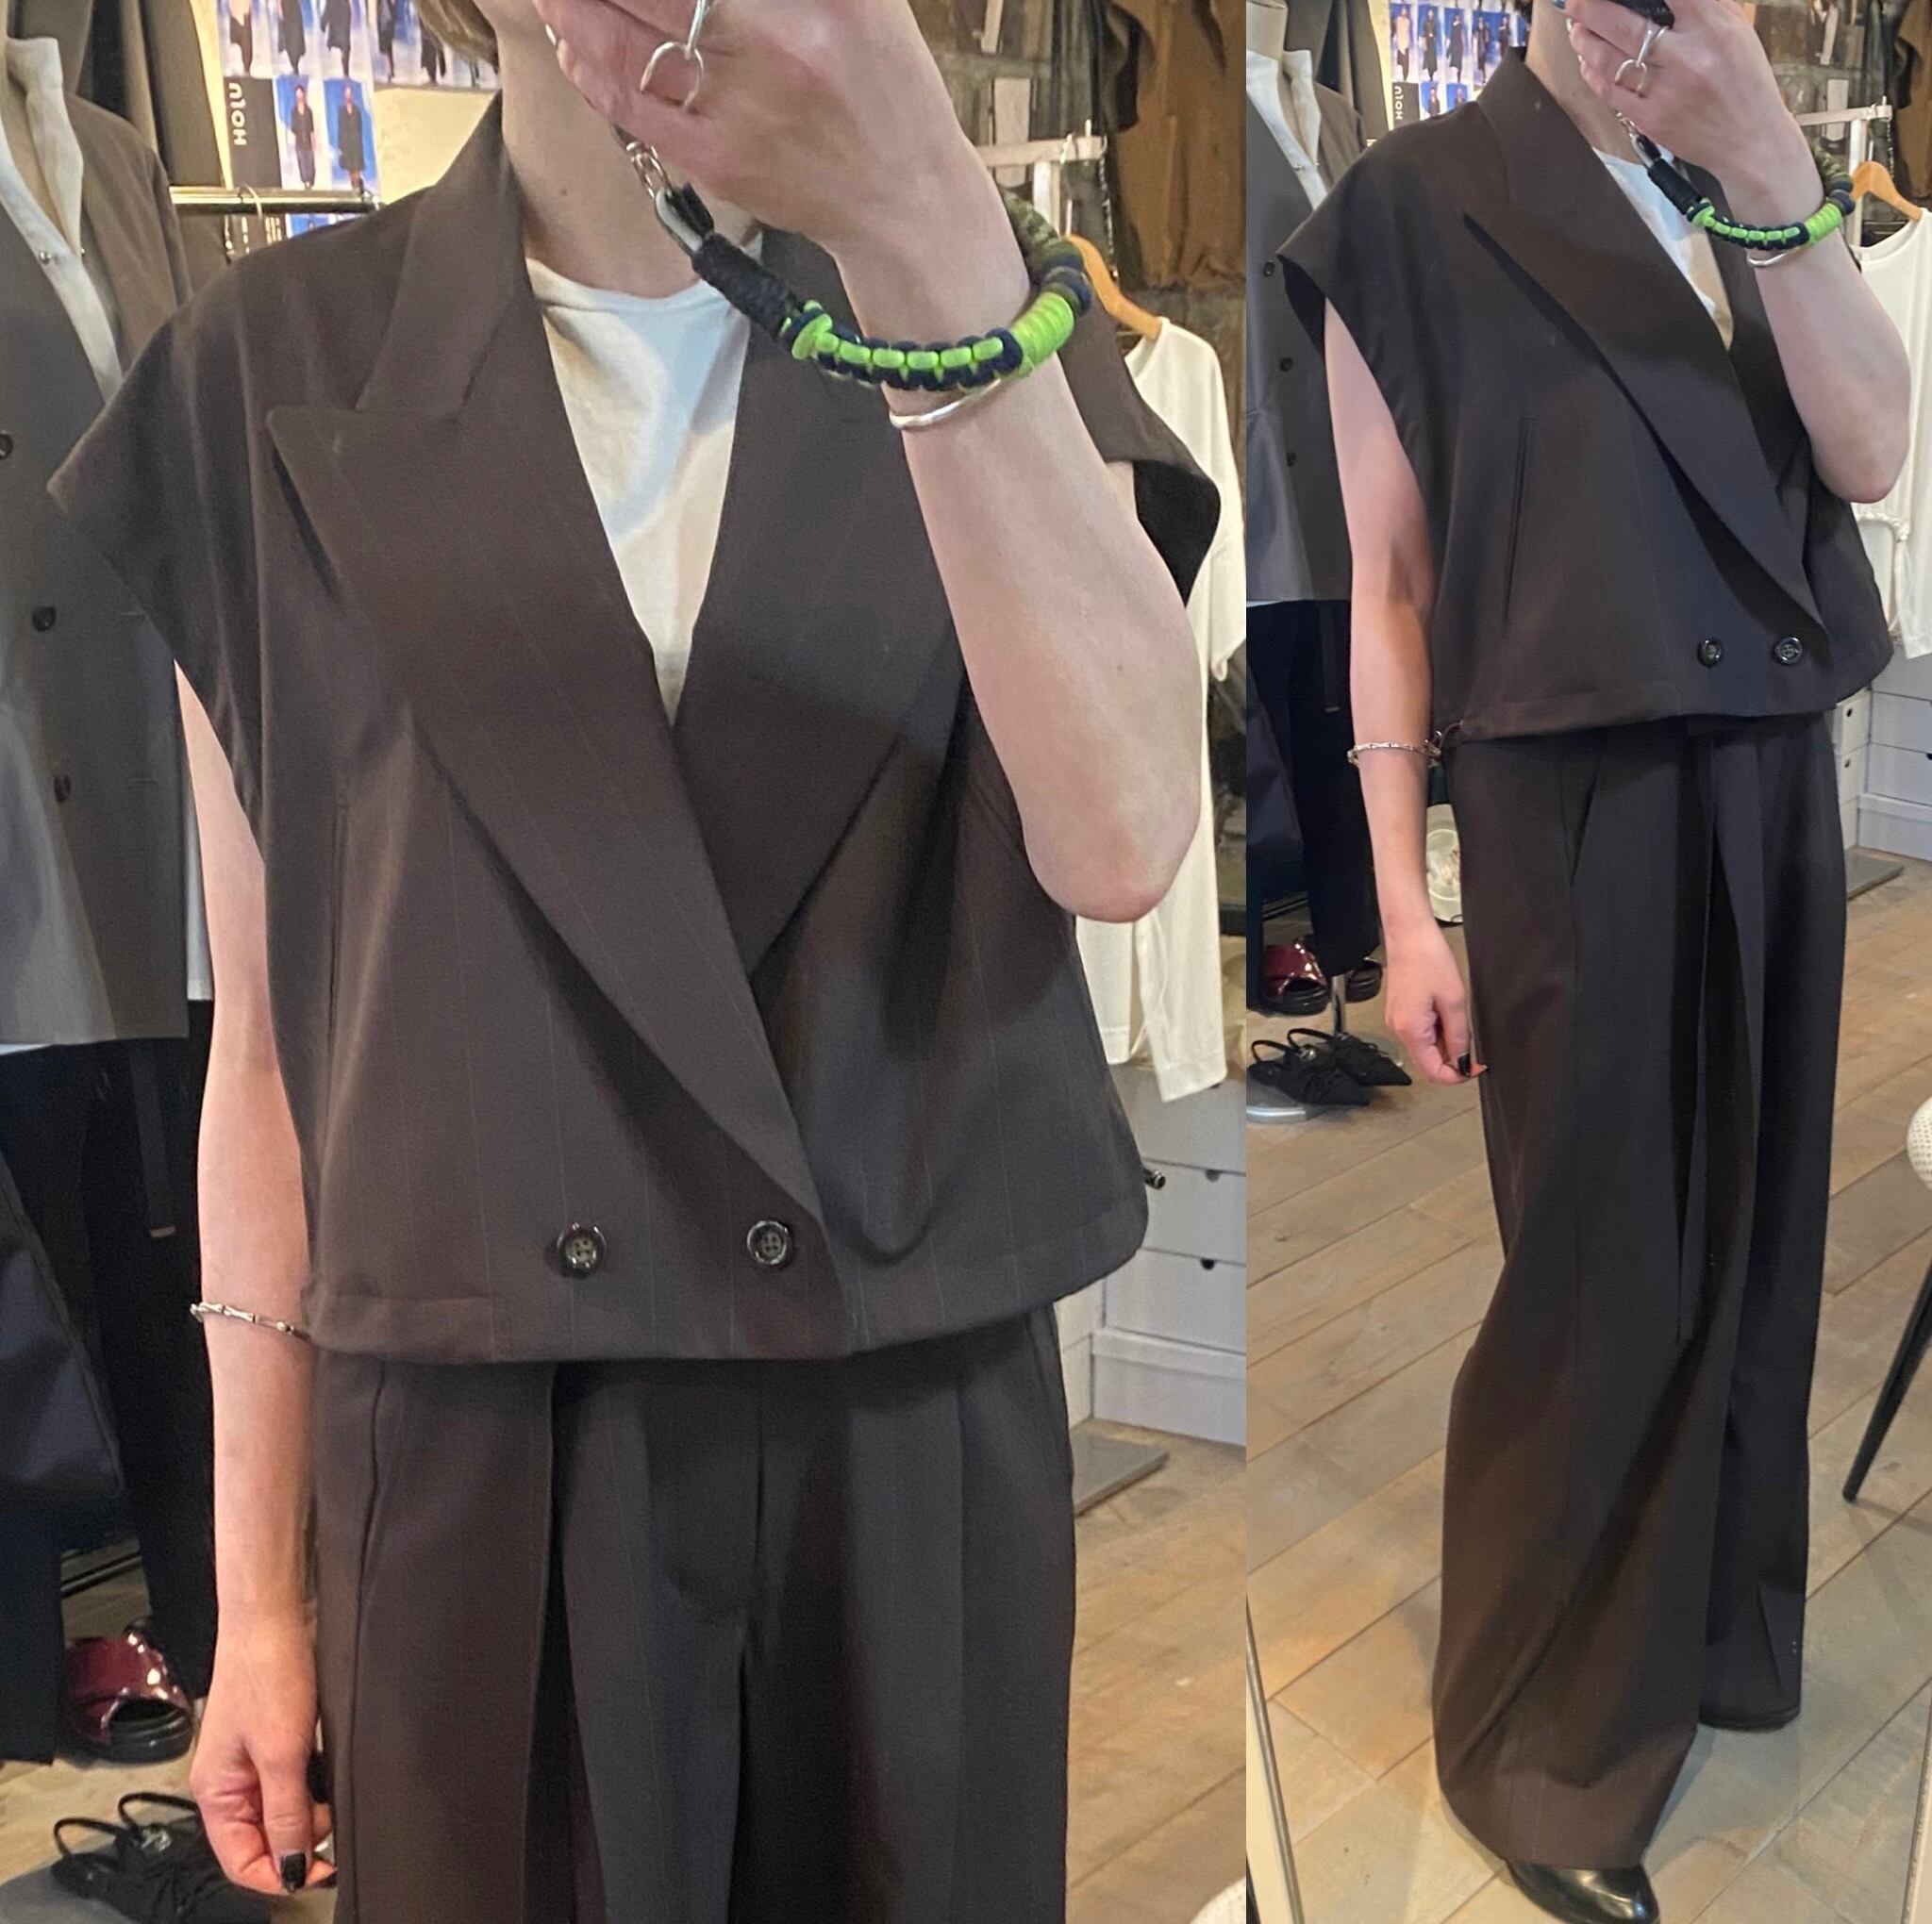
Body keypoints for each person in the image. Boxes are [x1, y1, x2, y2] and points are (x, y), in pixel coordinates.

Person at [49, 0, 1215, 1916]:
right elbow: (265, 1050)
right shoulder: (263, 371)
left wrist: (923, 212)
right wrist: (256, 1600)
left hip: (898, 1438)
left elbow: (1124, 843)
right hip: (472, 1454)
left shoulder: (981, 314)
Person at [1284, 0, 1905, 1918]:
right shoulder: (1409, 204)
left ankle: (1704, 1641)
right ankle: (1542, 1741)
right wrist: (1403, 905)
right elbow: (1389, 584)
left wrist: (1772, 163)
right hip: (1565, 806)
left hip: (1771, 778)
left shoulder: (1747, 184)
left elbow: (1870, 451)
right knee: (1592, 1271)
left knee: (1756, 1238)